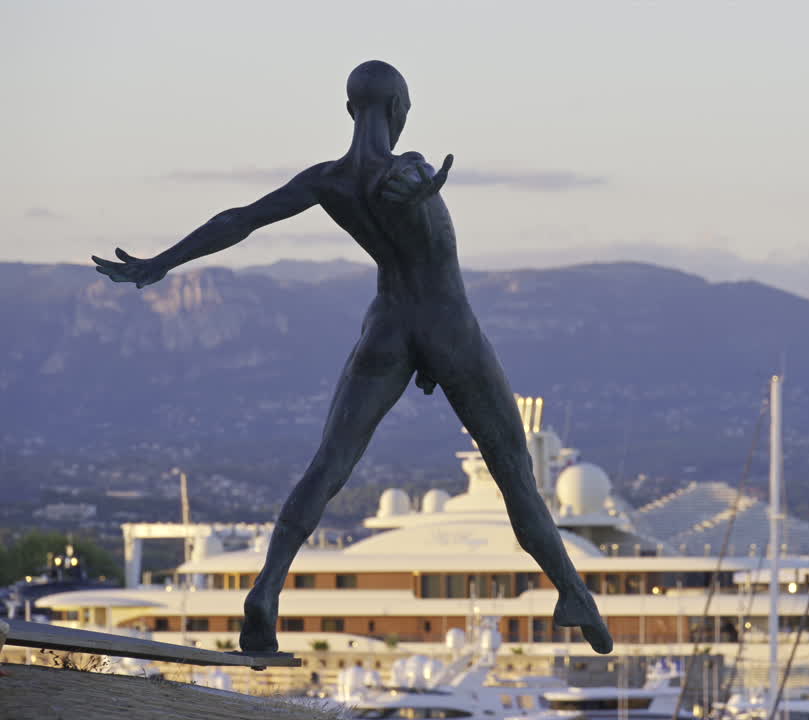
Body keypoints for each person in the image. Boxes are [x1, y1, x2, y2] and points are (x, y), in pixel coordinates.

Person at [91, 60, 612, 655]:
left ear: (348, 111)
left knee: (329, 463)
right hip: (448, 325)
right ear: (399, 110)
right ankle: (572, 591)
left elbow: (240, 220)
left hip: (387, 325)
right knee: (514, 471)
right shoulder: (407, 167)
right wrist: (419, 195)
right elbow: (417, 198)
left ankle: (266, 588)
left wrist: (162, 261)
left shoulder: (327, 181)